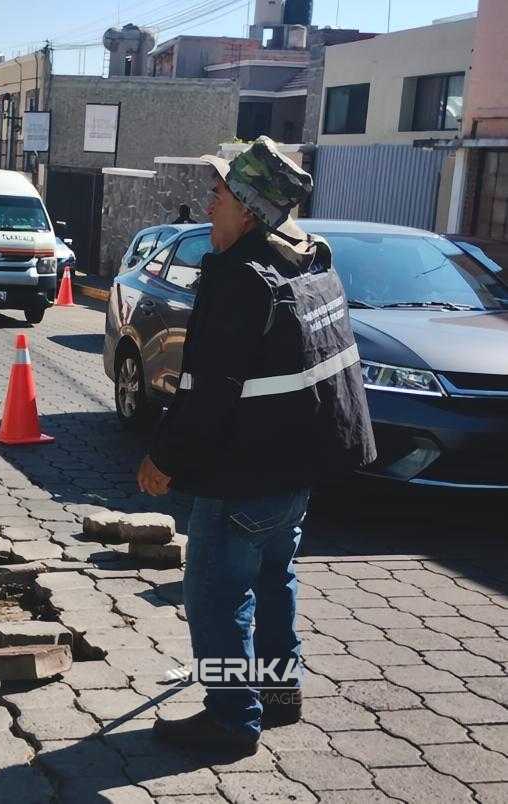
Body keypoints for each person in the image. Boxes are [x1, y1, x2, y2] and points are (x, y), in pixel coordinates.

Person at [137, 136, 376, 753]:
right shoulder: (307, 262)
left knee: (216, 593)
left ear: (247, 208)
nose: (208, 203)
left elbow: (209, 392)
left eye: (217, 194)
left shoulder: (242, 279)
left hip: (244, 474)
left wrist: (163, 459)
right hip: (295, 471)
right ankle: (277, 693)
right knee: (273, 578)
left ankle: (230, 719)